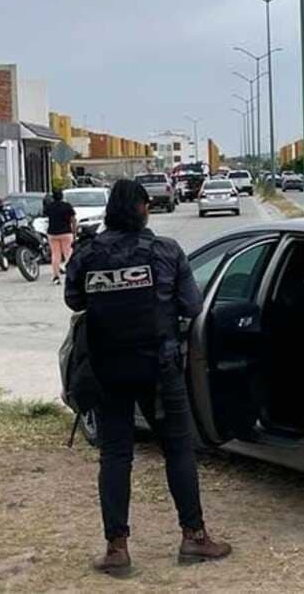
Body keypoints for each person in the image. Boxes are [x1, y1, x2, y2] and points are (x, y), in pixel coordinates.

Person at [65, 179, 231, 575]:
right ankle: (194, 537)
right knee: (177, 449)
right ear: (143, 210)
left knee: (115, 455)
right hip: (160, 369)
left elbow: (74, 300)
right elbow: (192, 305)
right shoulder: (166, 251)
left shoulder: (88, 254)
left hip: (108, 370)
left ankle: (116, 549)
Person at [44, 189, 76, 285]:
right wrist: (74, 231)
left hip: (52, 233)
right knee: (68, 254)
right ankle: (71, 275)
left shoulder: (50, 207)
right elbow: (73, 219)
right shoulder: (67, 206)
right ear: (62, 196)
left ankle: (56, 277)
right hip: (66, 232)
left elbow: (45, 215)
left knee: (55, 254)